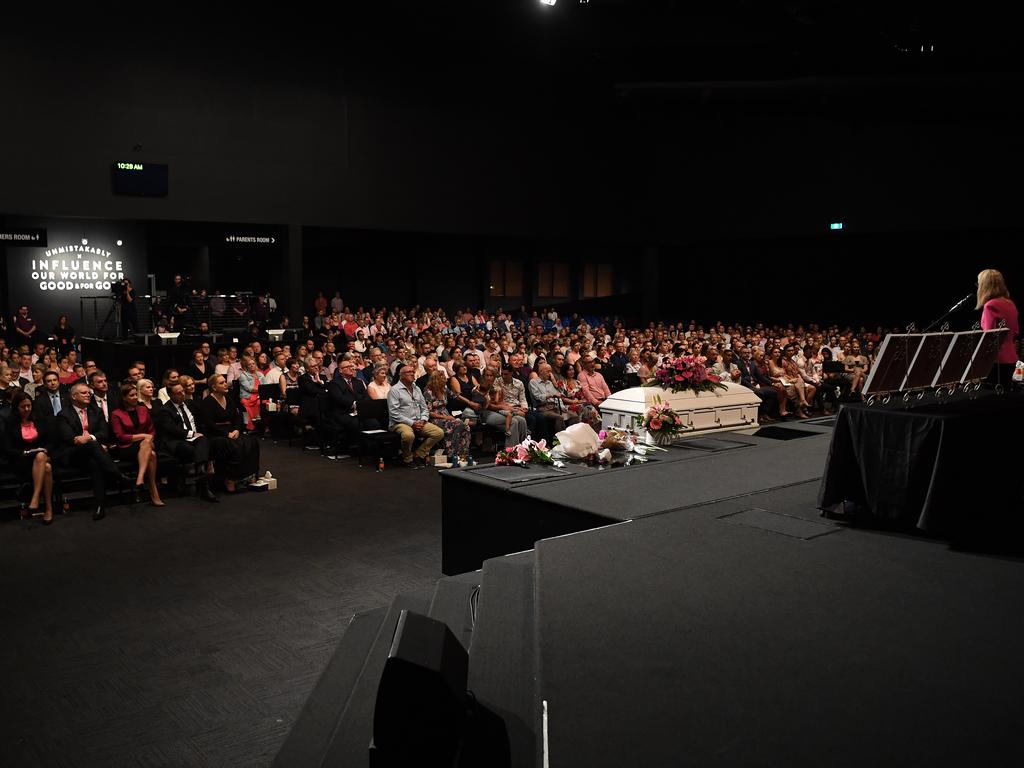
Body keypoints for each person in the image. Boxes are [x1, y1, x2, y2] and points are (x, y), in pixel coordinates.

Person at [54, 382, 125, 521]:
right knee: (93, 447)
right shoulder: (63, 414)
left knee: (95, 462)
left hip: (92, 453)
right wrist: (94, 442)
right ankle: (116, 474)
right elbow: (71, 439)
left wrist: (90, 438)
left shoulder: (95, 411)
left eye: (89, 393)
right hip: (72, 454)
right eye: (84, 393)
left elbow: (105, 433)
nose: (88, 395)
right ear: (74, 396)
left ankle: (100, 506)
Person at [153, 381, 218, 502]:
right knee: (196, 449)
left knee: (204, 440)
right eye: (178, 393)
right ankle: (203, 480)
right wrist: (192, 434)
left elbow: (202, 419)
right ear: (171, 395)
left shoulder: (190, 404)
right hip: (177, 441)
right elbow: (172, 429)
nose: (182, 394)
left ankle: (200, 473)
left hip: (195, 439)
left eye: (183, 391)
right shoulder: (165, 410)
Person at [198, 373, 260, 492]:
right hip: (216, 434)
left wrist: (237, 429)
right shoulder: (207, 402)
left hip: (232, 430)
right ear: (214, 387)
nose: (225, 384)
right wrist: (226, 434)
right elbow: (209, 424)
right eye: (221, 383)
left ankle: (249, 475)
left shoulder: (229, 398)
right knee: (232, 446)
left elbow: (237, 417)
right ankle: (230, 479)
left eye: (225, 381)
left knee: (251, 442)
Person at [3, 390, 55, 523]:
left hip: (41, 458)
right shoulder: (10, 423)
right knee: (47, 467)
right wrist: (24, 453)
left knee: (42, 458)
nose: (27, 409)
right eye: (23, 407)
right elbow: (7, 449)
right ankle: (48, 507)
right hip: (22, 461)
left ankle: (37, 498)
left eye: (29, 406)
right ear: (16, 407)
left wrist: (45, 450)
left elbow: (51, 441)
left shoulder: (39, 419)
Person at [110, 383, 165, 506]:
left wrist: (147, 438)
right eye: (132, 395)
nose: (135, 397)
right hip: (127, 447)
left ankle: (140, 478)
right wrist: (143, 436)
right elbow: (121, 437)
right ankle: (153, 489)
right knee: (152, 454)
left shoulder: (143, 409)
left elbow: (151, 430)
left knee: (147, 445)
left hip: (147, 442)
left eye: (136, 394)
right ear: (124, 398)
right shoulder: (116, 414)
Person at [387, 364, 445, 467]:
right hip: (400, 422)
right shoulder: (394, 390)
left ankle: (418, 454)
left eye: (413, 372)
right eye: (409, 372)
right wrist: (412, 423)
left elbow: (424, 408)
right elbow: (394, 413)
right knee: (408, 435)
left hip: (418, 421)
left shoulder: (417, 388)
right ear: (402, 375)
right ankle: (407, 458)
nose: (412, 374)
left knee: (438, 433)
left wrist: (423, 420)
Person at [977, 268, 1020, 386]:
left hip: (995, 360)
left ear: (984, 286)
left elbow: (989, 337)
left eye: (979, 283)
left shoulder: (990, 305)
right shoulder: (1010, 304)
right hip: (1011, 359)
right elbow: (1016, 331)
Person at [424, 369, 470, 461]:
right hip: (435, 418)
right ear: (437, 380)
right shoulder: (428, 392)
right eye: (443, 378)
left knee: (465, 426)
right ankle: (451, 453)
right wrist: (446, 417)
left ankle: (463, 454)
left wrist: (469, 402)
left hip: (446, 416)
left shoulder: (444, 388)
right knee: (457, 424)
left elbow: (455, 396)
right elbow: (428, 412)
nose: (446, 380)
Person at [237, 356, 265, 431]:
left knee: (263, 402)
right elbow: (249, 389)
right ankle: (252, 426)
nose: (252, 365)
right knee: (249, 403)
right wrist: (262, 390)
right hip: (248, 397)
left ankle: (262, 426)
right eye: (250, 364)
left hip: (260, 395)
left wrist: (262, 391)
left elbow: (266, 386)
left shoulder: (260, 374)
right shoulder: (243, 375)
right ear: (247, 366)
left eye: (253, 364)